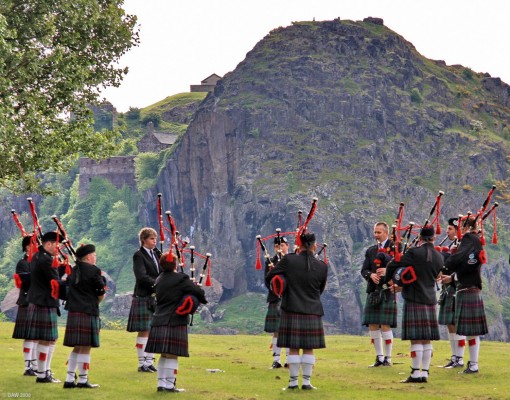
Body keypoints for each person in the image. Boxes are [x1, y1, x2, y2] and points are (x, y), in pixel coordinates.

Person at [265, 232, 328, 391]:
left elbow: (271, 276)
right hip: (312, 309)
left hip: (291, 307)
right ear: (314, 246)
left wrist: (282, 285)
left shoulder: (289, 260)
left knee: (293, 347)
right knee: (308, 348)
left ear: (298, 245)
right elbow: (320, 289)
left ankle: (293, 383)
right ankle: (306, 383)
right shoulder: (322, 266)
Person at [385, 225, 444, 383]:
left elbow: (394, 264)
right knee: (427, 339)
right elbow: (438, 274)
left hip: (414, 297)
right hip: (430, 299)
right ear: (433, 237)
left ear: (419, 238)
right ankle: (424, 372)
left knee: (416, 339)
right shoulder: (439, 256)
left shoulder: (413, 253)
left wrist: (391, 280)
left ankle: (415, 373)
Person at [145, 251, 207, 392]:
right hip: (175, 320)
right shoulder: (181, 278)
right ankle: (170, 385)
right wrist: (194, 289)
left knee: (163, 354)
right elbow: (199, 292)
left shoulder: (159, 279)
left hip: (158, 319)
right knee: (172, 354)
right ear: (176, 264)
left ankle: (161, 384)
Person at [444, 216, 488, 374]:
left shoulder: (469, 238)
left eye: (461, 227)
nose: (460, 230)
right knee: (471, 331)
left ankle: (474, 365)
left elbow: (461, 258)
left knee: (471, 331)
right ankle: (473, 364)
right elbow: (467, 262)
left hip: (468, 287)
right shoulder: (476, 240)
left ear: (466, 227)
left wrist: (447, 262)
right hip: (470, 287)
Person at [62, 244, 106, 389]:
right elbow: (101, 292)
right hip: (88, 310)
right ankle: (82, 380)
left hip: (74, 311)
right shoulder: (94, 270)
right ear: (88, 257)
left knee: (77, 346)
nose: (95, 257)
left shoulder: (73, 270)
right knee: (86, 347)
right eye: (94, 255)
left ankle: (69, 379)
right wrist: (97, 302)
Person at [25, 231, 63, 383]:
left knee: (50, 339)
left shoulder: (37, 256)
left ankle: (45, 371)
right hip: (44, 302)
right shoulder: (46, 260)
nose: (58, 247)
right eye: (56, 244)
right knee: (46, 339)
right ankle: (42, 374)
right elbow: (55, 281)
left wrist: (60, 267)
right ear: (48, 244)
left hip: (41, 301)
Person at [360, 222, 397, 367]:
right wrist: (370, 275)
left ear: (386, 233)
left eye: (379, 232)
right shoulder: (371, 251)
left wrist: (389, 272)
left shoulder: (395, 248)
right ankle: (379, 357)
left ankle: (388, 358)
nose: (376, 235)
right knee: (373, 324)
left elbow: (401, 268)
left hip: (388, 289)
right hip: (373, 289)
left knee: (386, 324)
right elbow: (364, 270)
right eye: (375, 232)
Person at [126, 227, 162, 372]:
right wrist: (158, 284)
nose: (155, 241)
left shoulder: (157, 254)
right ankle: (142, 364)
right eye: (152, 239)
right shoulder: (138, 256)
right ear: (143, 240)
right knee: (144, 330)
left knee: (153, 329)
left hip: (155, 296)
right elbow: (141, 276)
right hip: (144, 295)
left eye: (155, 238)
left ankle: (149, 361)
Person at [437, 217, 465, 368]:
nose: (447, 231)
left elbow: (465, 268)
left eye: (450, 229)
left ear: (457, 230)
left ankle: (459, 358)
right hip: (447, 287)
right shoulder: (453, 245)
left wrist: (451, 278)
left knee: (456, 323)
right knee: (450, 323)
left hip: (456, 286)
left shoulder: (462, 247)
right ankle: (455, 357)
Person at [12, 235, 37, 376]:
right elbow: (23, 281)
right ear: (27, 246)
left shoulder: (37, 261)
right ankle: (28, 367)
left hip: (38, 300)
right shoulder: (22, 263)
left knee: (36, 335)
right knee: (29, 335)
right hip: (27, 300)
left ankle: (34, 365)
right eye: (34, 244)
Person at [264, 236, 289, 369]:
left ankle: (290, 360)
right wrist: (277, 289)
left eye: (283, 245)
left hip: (290, 298)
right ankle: (276, 360)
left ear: (288, 246)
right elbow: (267, 281)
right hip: (275, 298)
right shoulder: (270, 262)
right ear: (274, 248)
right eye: (278, 246)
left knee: (290, 329)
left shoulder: (292, 260)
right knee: (276, 331)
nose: (280, 248)